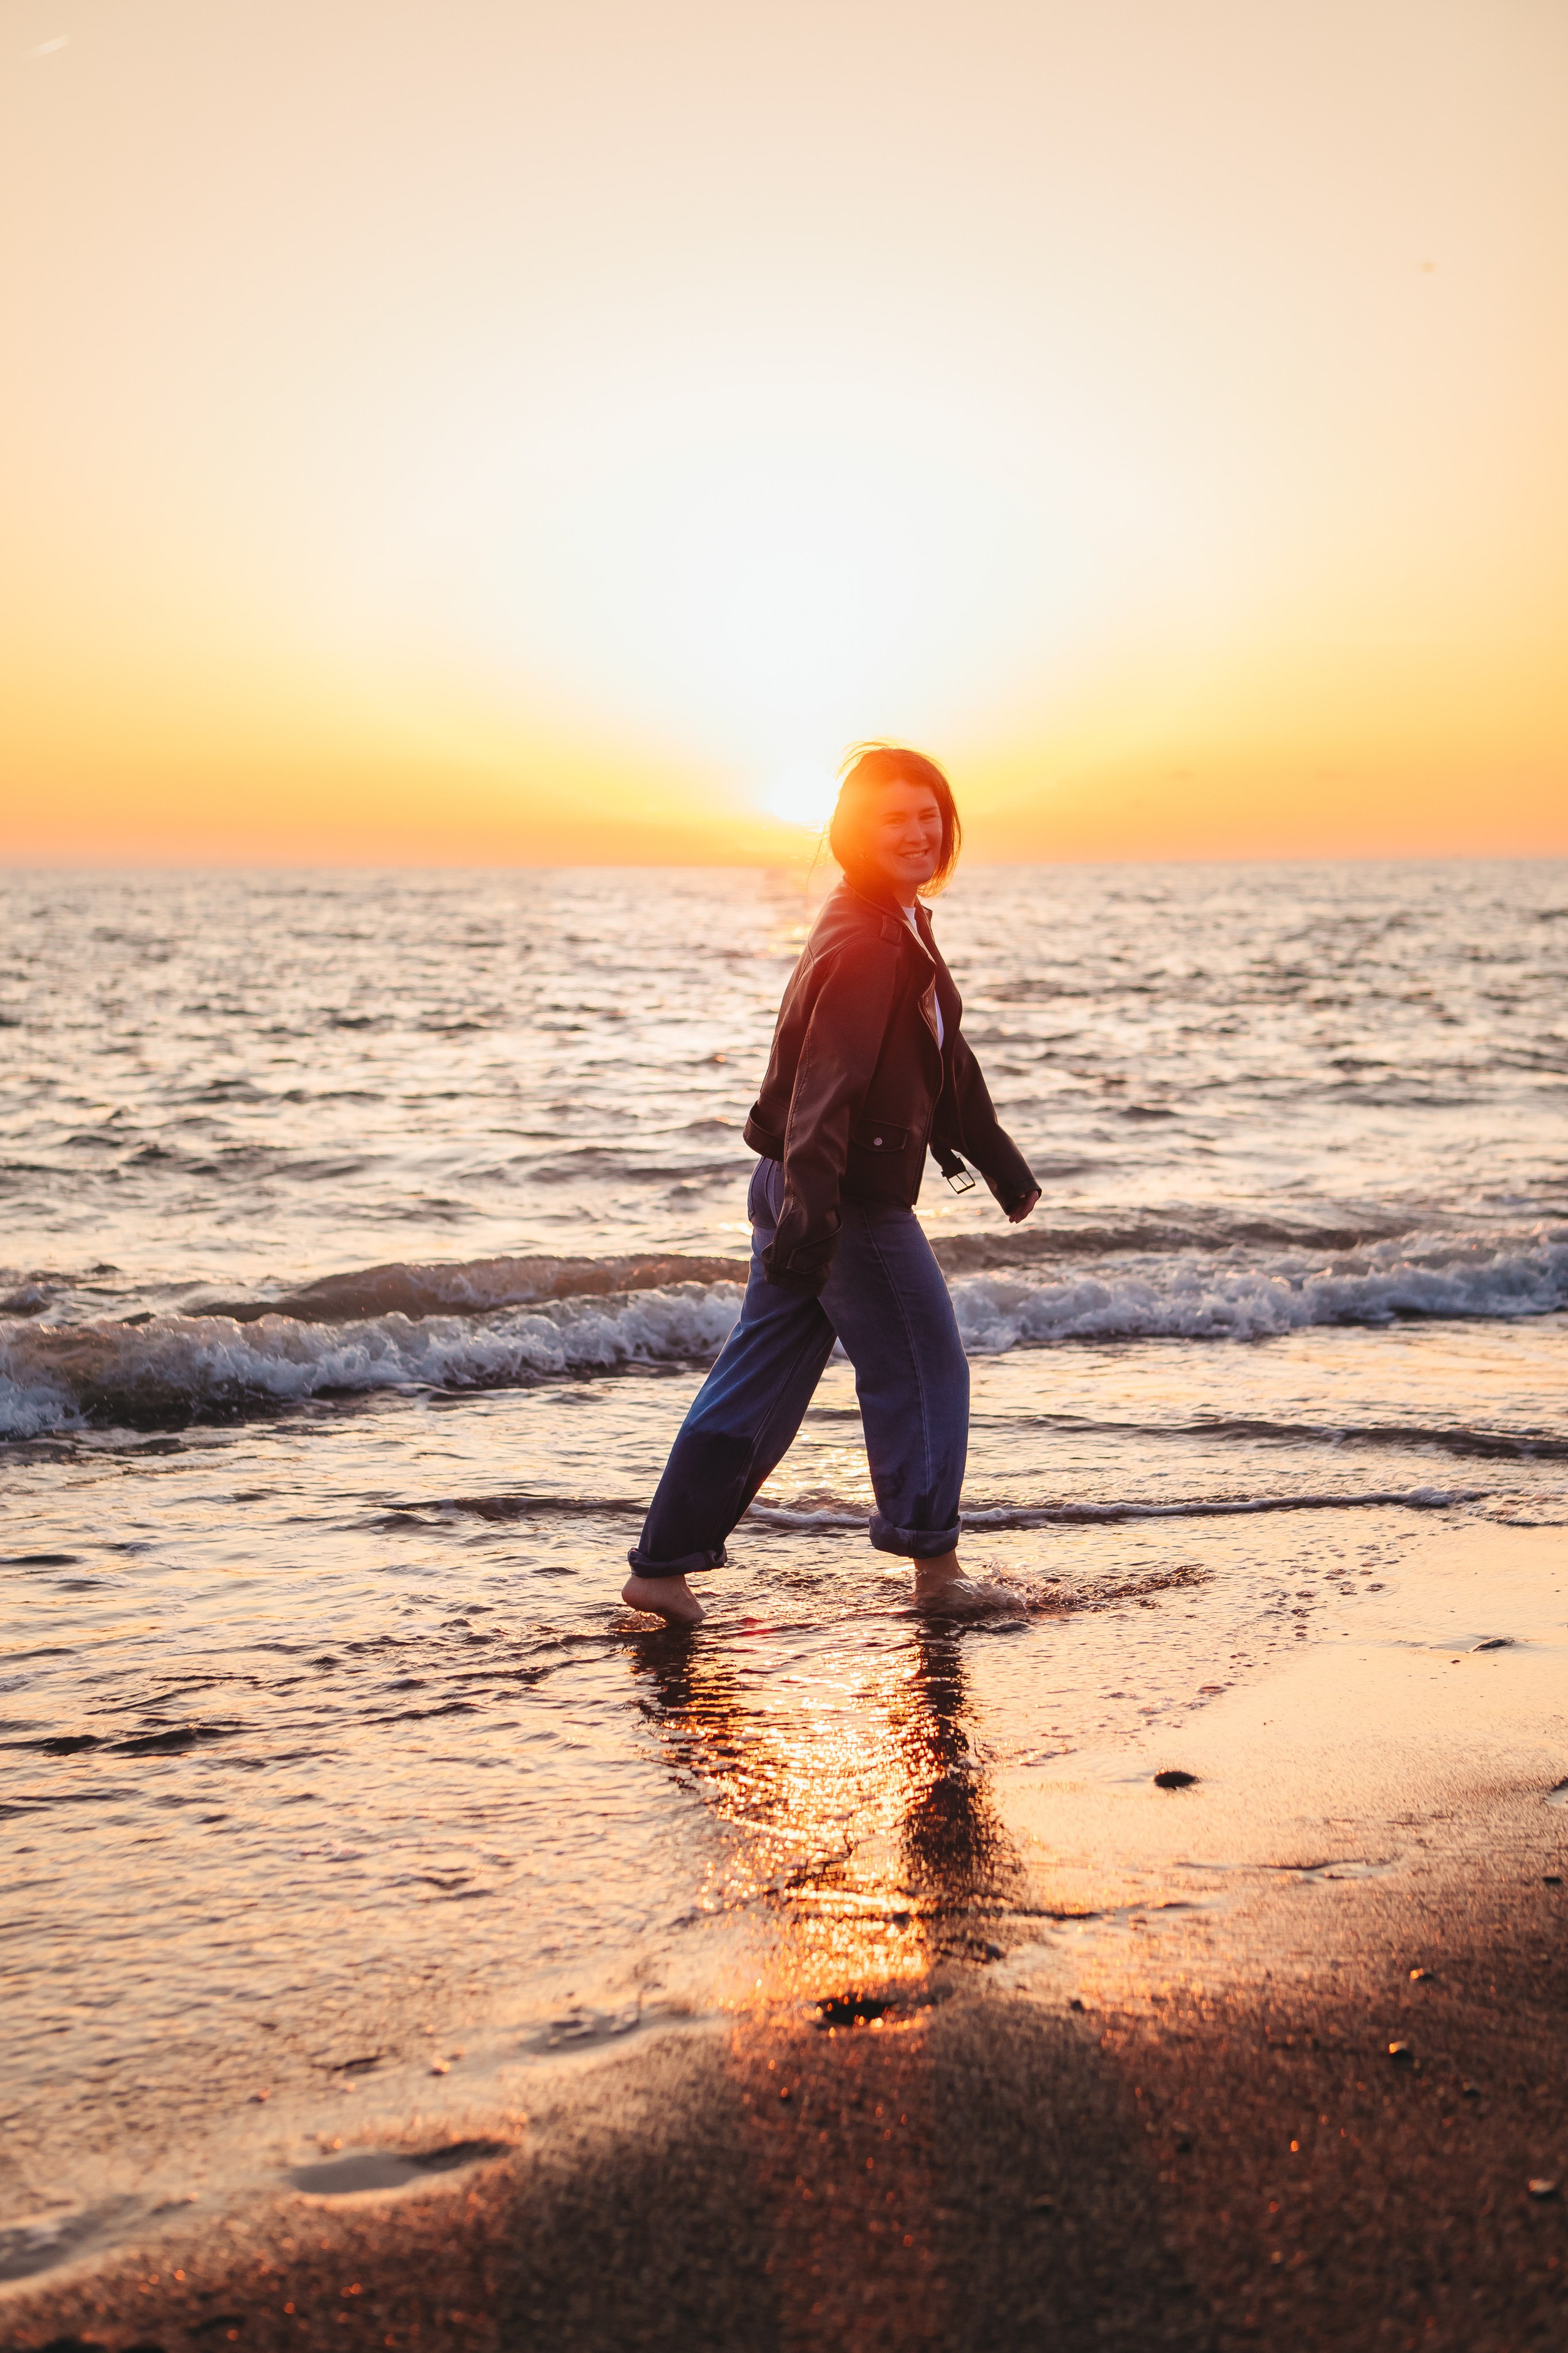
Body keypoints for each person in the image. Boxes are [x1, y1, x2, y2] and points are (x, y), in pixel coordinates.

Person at [622, 743, 1041, 1627]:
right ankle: (937, 1572)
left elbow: (945, 1057)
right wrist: (814, 1219)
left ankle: (662, 1570)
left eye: (929, 815)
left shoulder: (889, 920)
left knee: (759, 1385)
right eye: (894, 819)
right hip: (840, 1196)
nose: (918, 833)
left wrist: (998, 1161)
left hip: (799, 1184)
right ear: (854, 830)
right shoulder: (869, 943)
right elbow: (826, 1090)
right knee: (926, 1371)